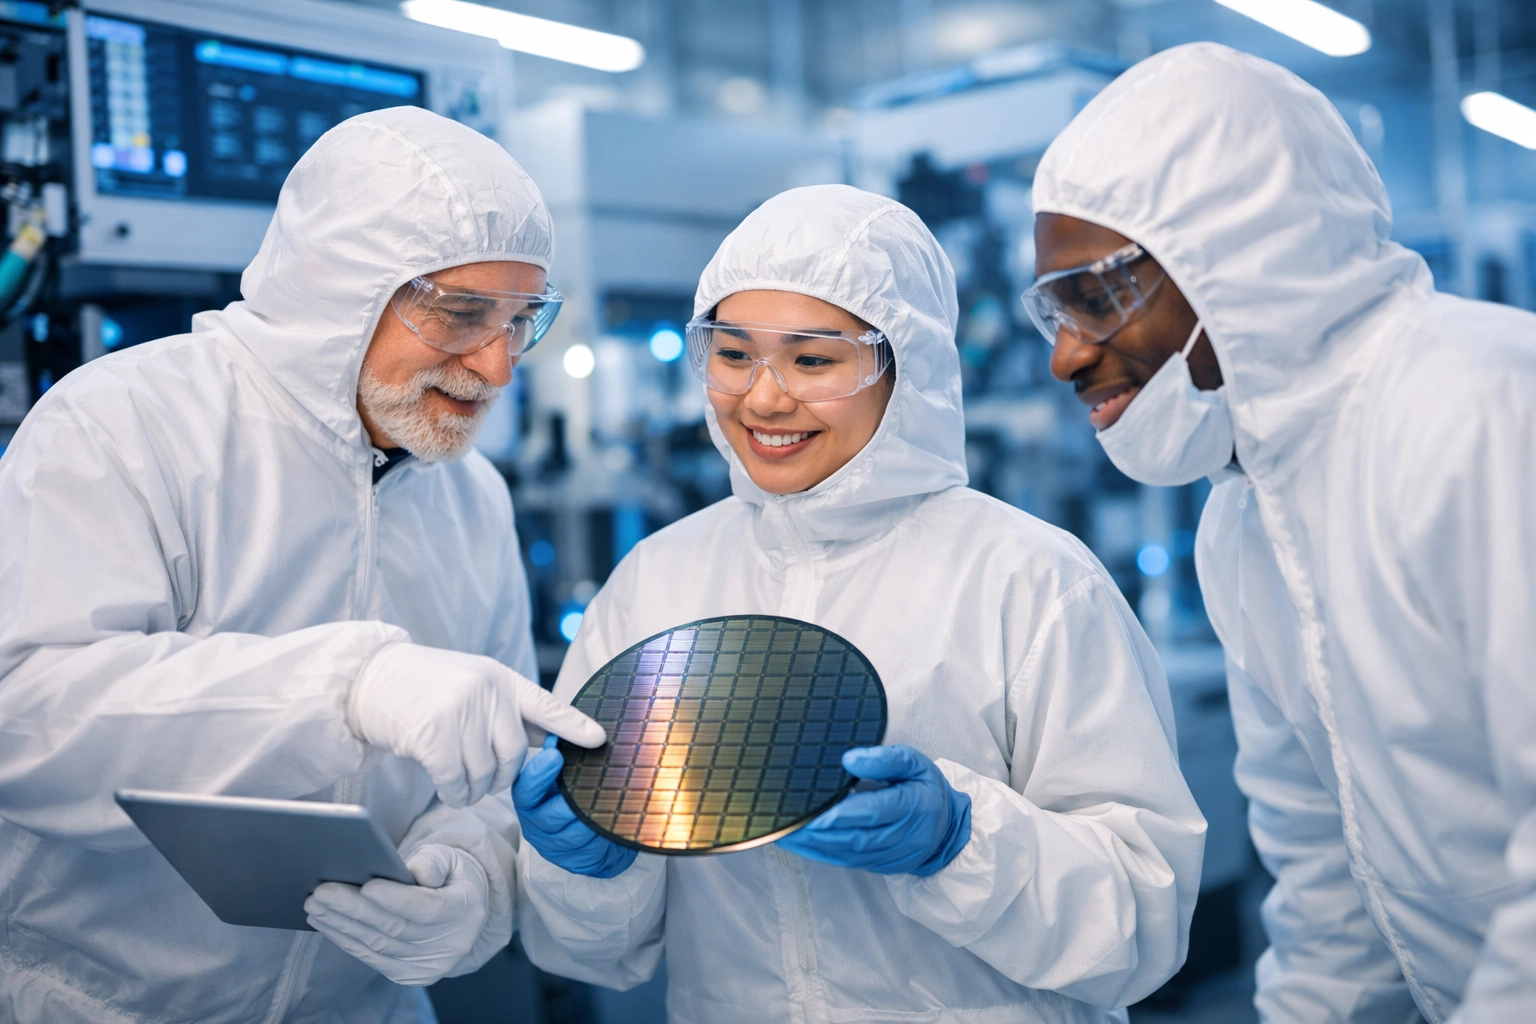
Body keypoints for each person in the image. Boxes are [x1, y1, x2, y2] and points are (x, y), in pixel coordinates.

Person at [512, 183, 1207, 1023]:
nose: (764, 399)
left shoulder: (1028, 579)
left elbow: (1142, 924)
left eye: (812, 361)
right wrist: (584, 866)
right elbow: (598, 952)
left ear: (902, 369)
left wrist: (959, 842)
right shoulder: (658, 583)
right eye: (733, 355)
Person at [0, 106, 604, 1023]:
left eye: (522, 320)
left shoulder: (470, 495)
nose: (497, 366)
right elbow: (26, 718)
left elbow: (498, 767)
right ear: (342, 291)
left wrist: (473, 877)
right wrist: (348, 690)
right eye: (461, 314)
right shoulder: (125, 425)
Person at [1035, 42, 1536, 1023]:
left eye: (1098, 297)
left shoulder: (1478, 408)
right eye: (1056, 309)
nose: (1065, 356)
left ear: (1240, 255)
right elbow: (1329, 877)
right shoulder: (1244, 519)